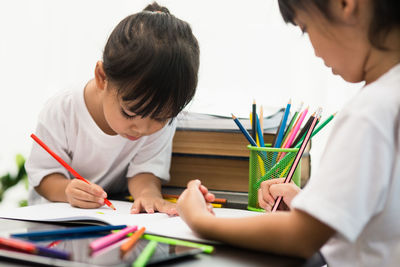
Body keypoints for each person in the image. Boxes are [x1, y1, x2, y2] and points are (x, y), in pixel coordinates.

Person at [177, 0, 400, 265]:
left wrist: (200, 221)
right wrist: (312, 204)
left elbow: (301, 237)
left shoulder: (370, 111)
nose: (315, 52)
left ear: (346, 4)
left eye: (305, 28)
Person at [25, 2, 199, 215]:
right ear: (102, 77)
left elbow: (144, 171)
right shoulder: (63, 109)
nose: (142, 129)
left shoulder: (158, 115)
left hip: (109, 217)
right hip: (53, 217)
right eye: (130, 113)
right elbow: (43, 177)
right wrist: (67, 190)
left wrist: (148, 195)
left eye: (161, 118)